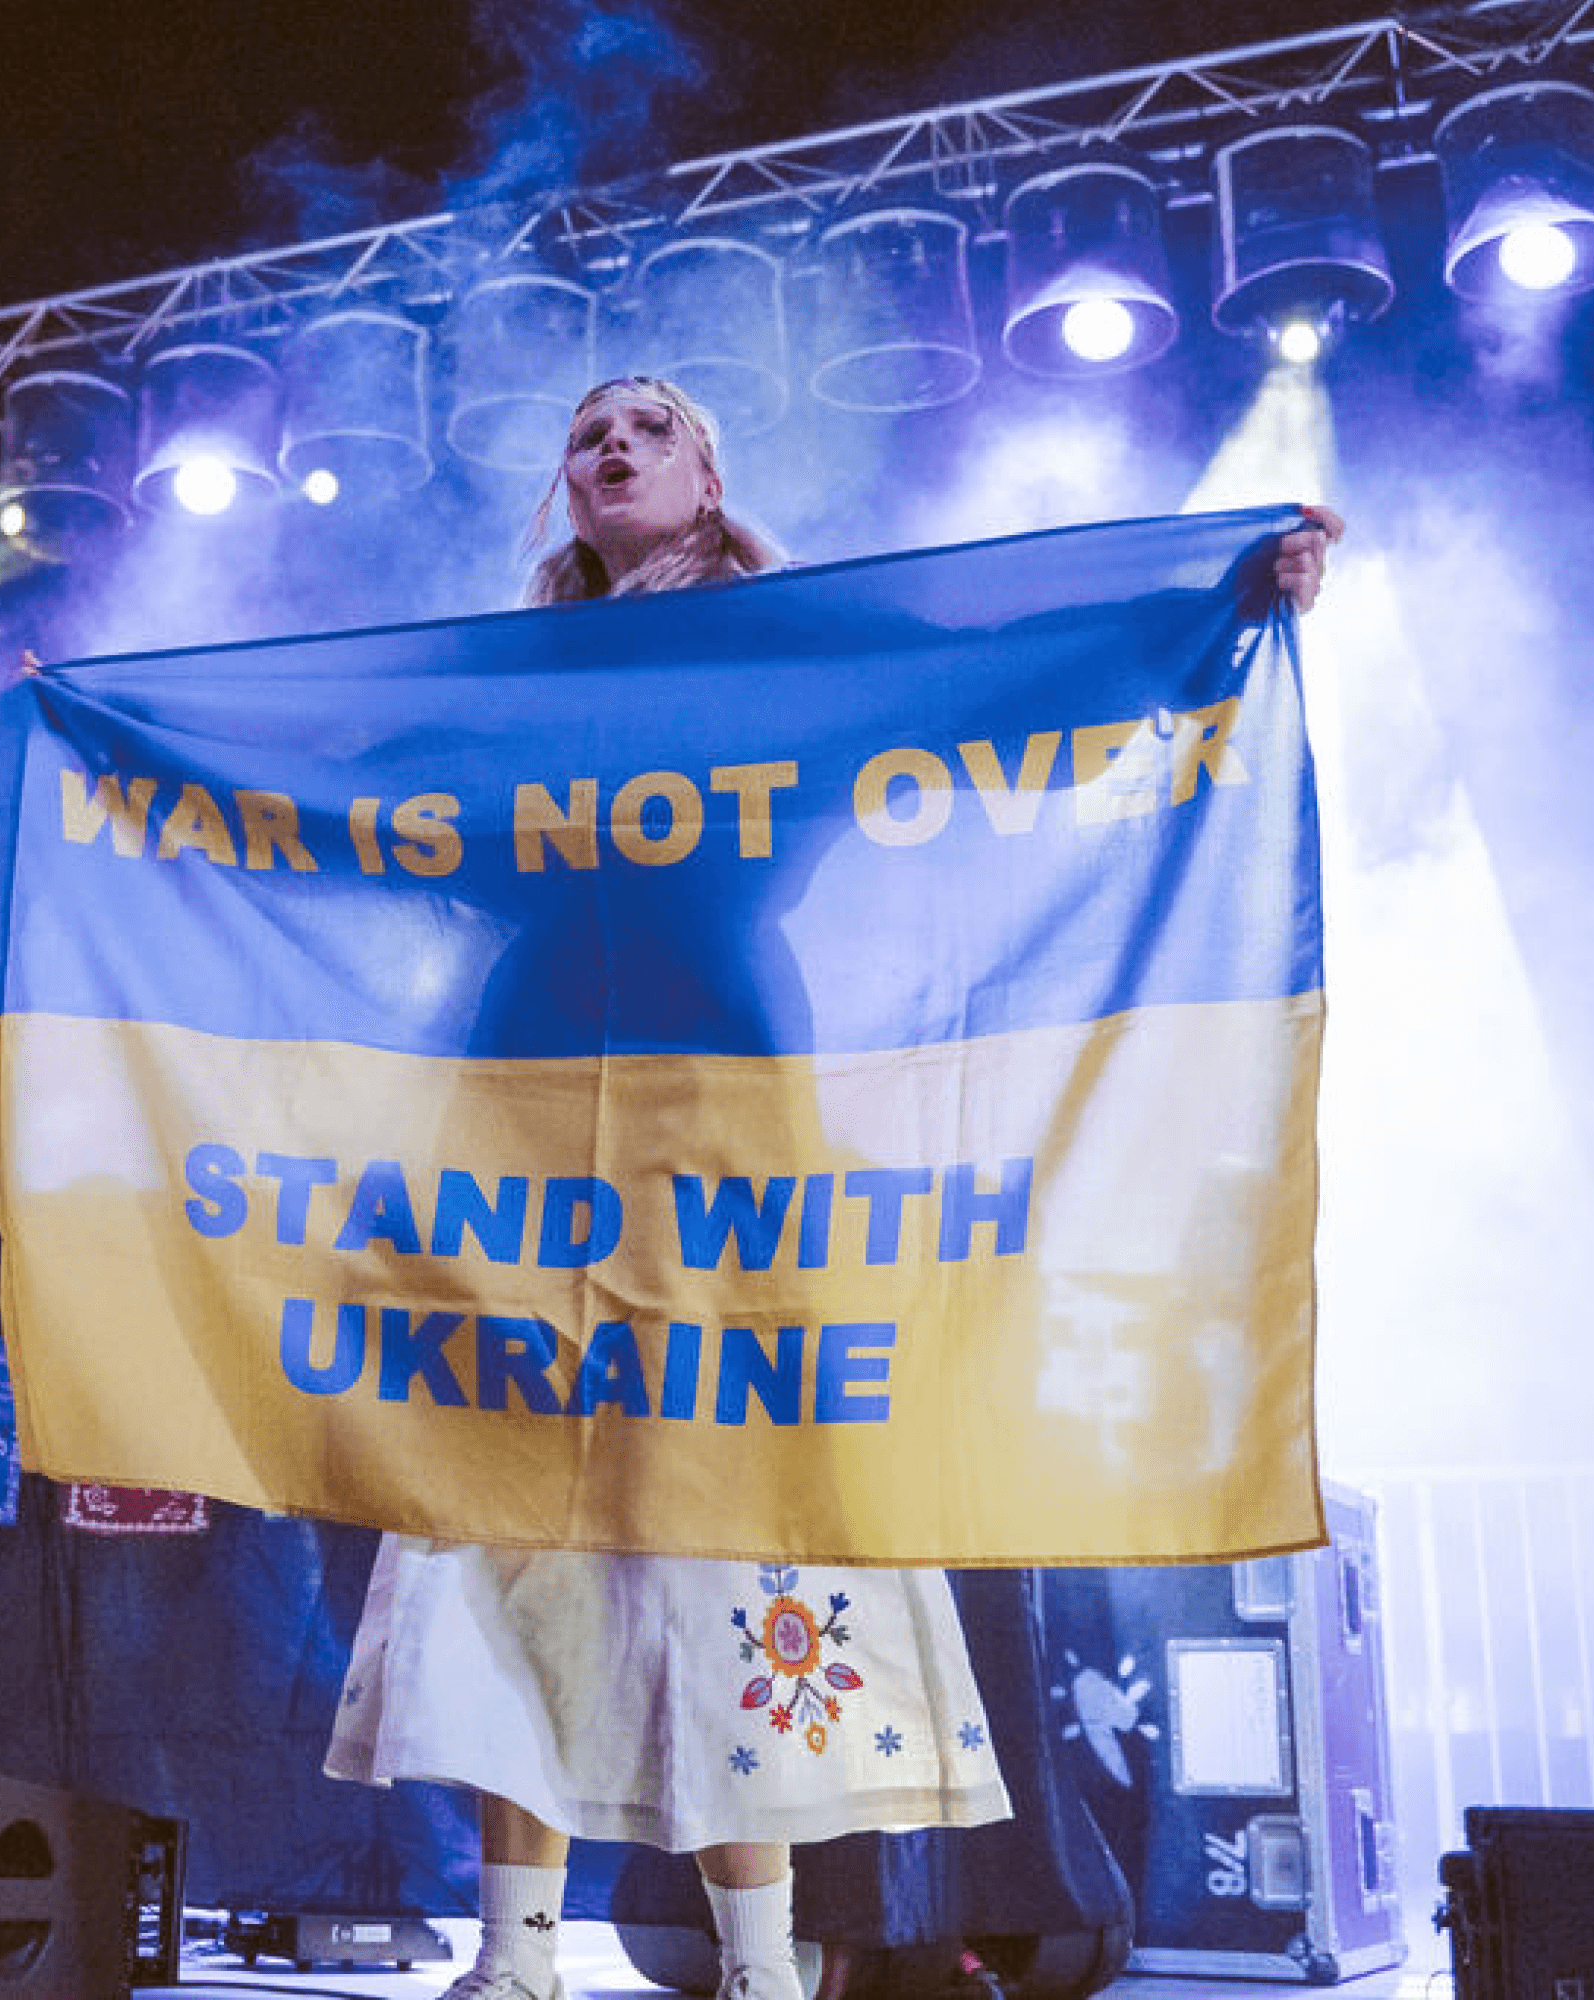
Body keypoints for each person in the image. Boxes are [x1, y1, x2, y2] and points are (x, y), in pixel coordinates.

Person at [324, 376, 1343, 2000]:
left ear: (710, 472)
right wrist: (112, 728)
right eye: (588, 429)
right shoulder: (518, 679)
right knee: (506, 1503)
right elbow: (328, 772)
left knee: (741, 1503)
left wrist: (1219, 595)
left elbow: (995, 680)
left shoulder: (794, 643)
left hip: (723, 1079)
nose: (613, 445)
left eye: (652, 423)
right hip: (523, 1091)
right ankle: (512, 1960)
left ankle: (764, 1962)